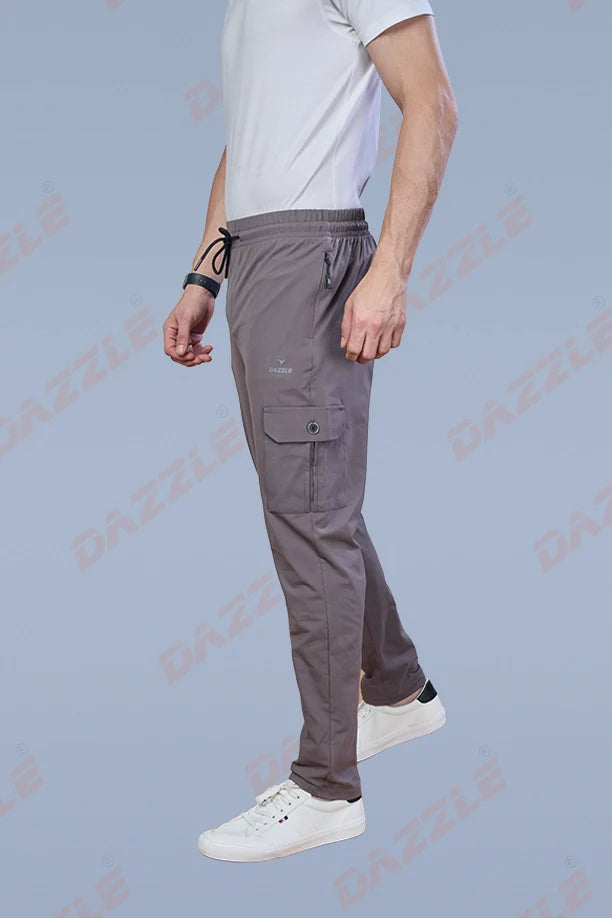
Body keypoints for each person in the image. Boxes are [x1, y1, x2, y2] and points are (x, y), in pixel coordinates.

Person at [162, 0, 458, 863]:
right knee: (311, 501)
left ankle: (328, 788)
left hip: (310, 257)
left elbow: (432, 101)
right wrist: (203, 275)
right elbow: (247, 146)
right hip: (256, 258)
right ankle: (396, 691)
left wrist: (390, 272)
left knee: (309, 515)